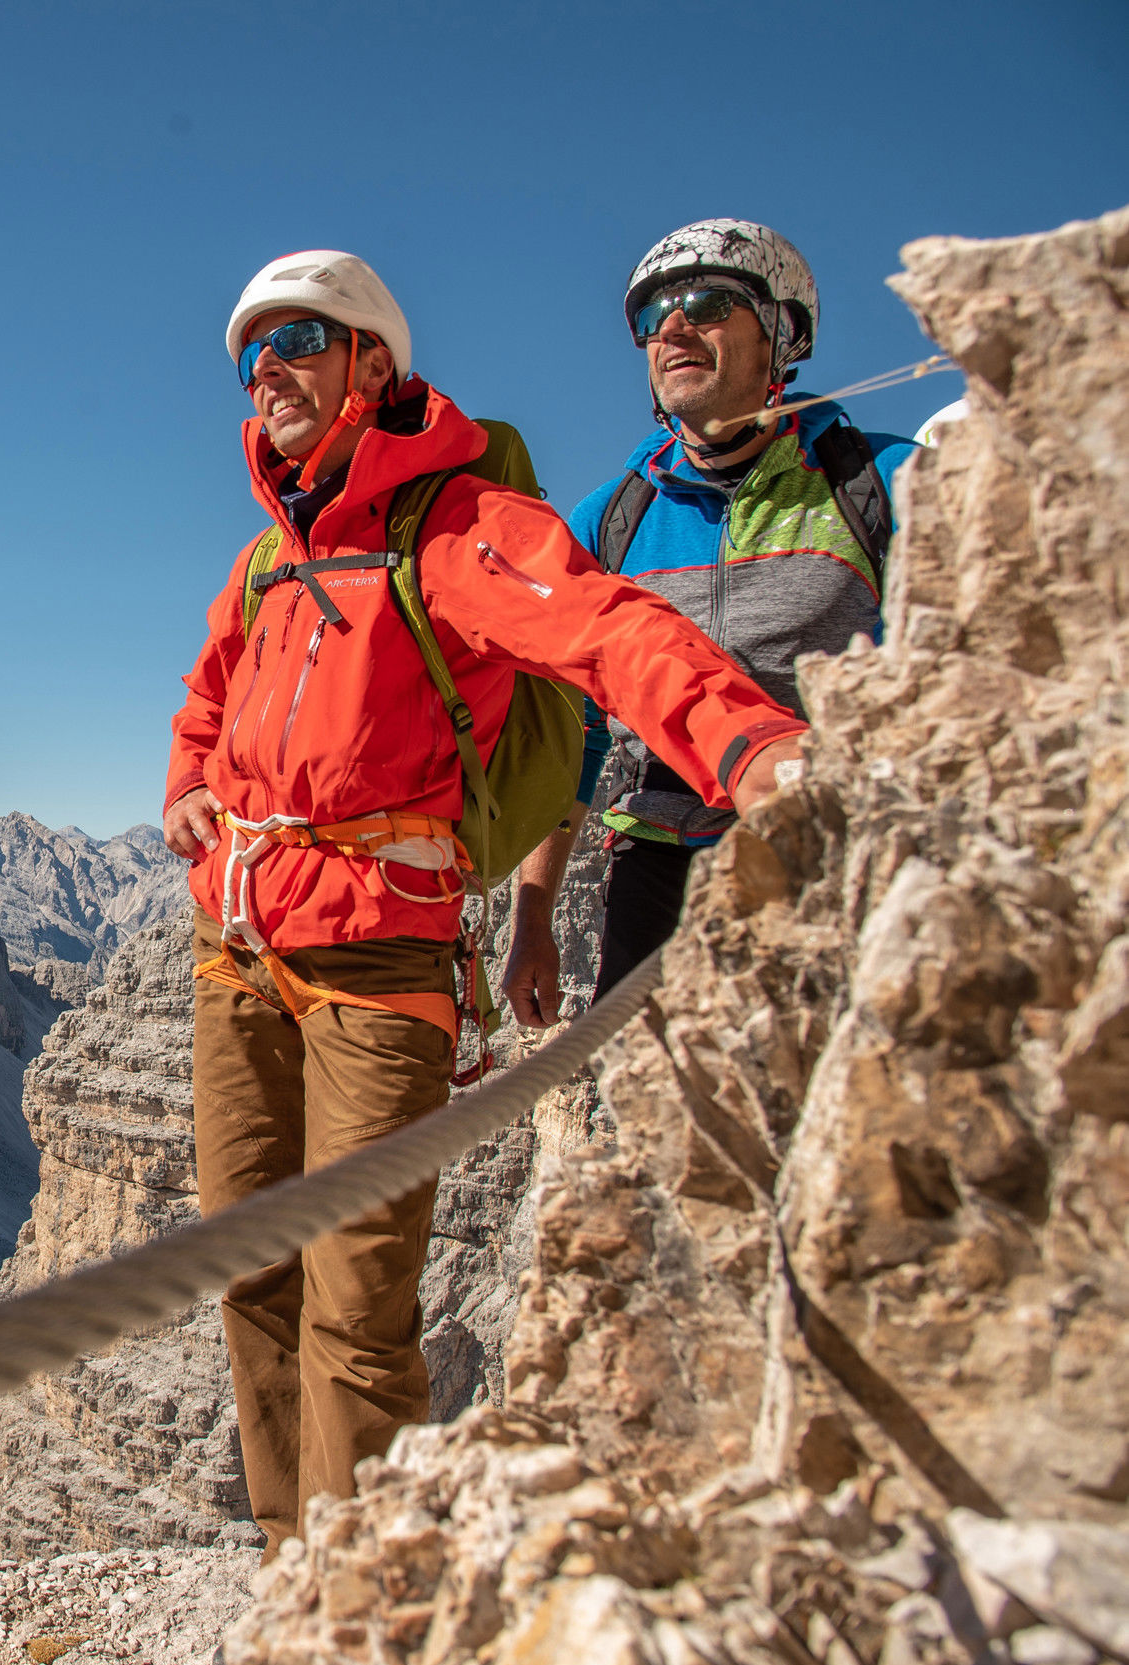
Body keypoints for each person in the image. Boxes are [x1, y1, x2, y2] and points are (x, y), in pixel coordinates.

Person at [163, 249, 810, 1555]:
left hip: (374, 968)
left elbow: (608, 628)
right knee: (253, 1280)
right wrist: (188, 788)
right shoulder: (264, 562)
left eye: (300, 338)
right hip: (233, 957)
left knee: (355, 1310)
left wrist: (752, 746)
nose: (270, 369)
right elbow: (206, 702)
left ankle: (363, 1594)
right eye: (252, 354)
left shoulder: (453, 528)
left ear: (372, 365)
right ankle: (299, 1564)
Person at [500, 220, 917, 1026]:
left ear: (781, 336)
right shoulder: (611, 521)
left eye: (707, 302)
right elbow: (577, 733)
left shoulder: (878, 484)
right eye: (653, 318)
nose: (675, 328)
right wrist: (533, 918)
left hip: (831, 855)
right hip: (655, 872)